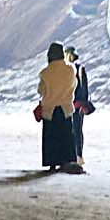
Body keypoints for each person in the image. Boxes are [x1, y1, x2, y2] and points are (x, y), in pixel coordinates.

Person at [38, 42, 81, 173]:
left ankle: (52, 163)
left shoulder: (45, 73)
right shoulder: (70, 69)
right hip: (66, 108)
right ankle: (66, 161)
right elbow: (74, 85)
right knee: (66, 136)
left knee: (51, 137)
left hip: (49, 110)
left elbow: (41, 90)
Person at [67, 45, 93, 167]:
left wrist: (83, 103)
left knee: (76, 130)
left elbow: (84, 89)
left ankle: (78, 155)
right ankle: (75, 155)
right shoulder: (76, 69)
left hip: (75, 105)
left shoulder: (78, 69)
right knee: (74, 130)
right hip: (74, 104)